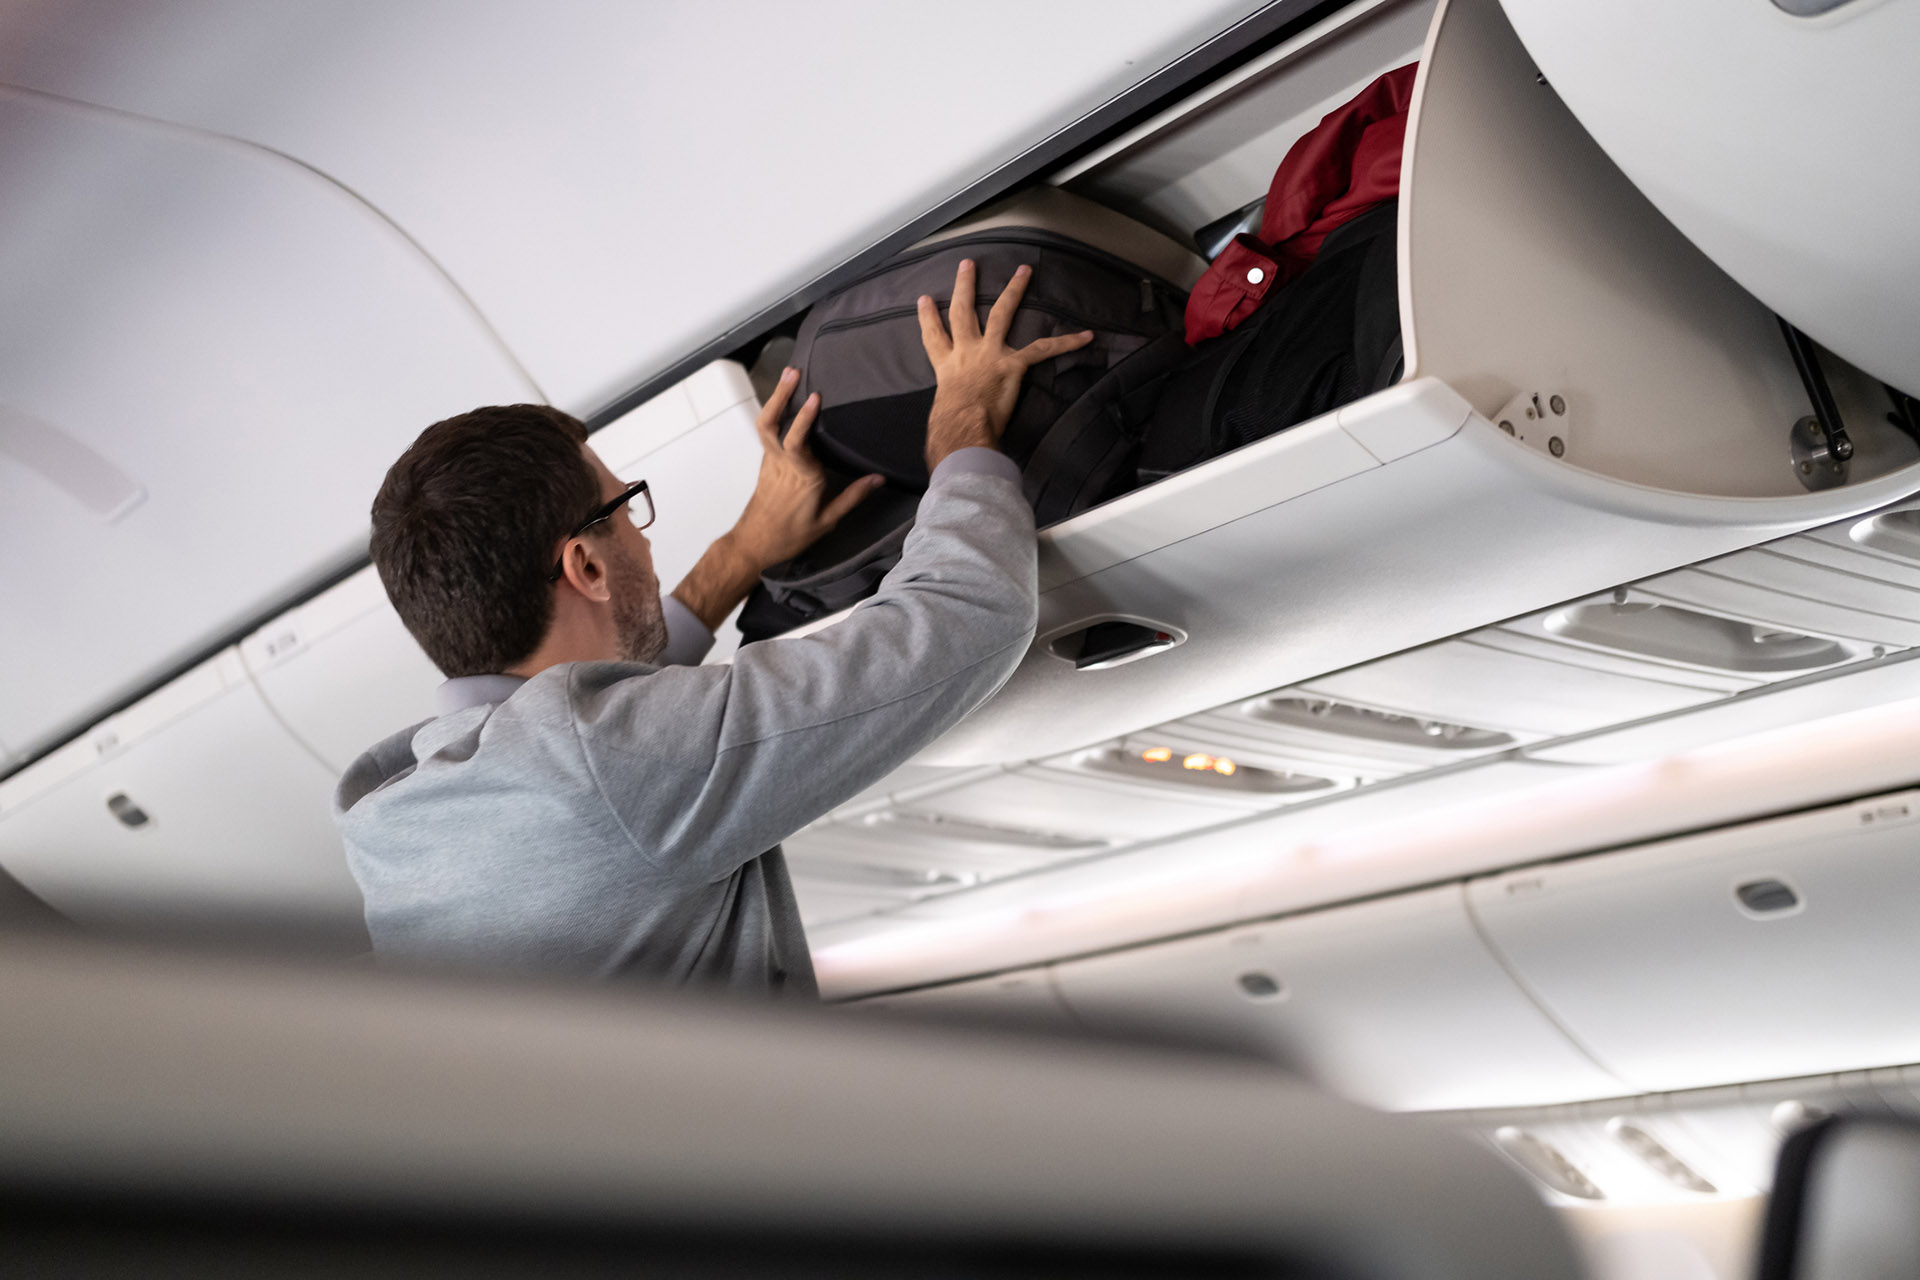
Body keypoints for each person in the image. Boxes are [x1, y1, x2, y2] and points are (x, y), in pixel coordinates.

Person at [334, 261, 1092, 994]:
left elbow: (604, 723)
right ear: (586, 569)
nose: (643, 534)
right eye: (624, 507)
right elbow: (969, 615)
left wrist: (742, 552)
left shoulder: (397, 820)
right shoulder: (600, 762)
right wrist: (962, 426)